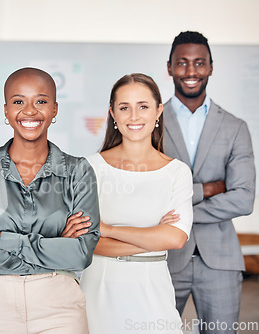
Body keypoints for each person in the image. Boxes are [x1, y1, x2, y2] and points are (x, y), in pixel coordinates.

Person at [0, 67, 100, 334]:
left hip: (59, 306)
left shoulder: (78, 171)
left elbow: (80, 254)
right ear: (6, 110)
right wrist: (56, 246)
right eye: (19, 101)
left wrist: (5, 239)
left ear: (55, 109)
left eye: (41, 101)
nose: (30, 111)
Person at [80, 73, 193, 334]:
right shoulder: (90, 168)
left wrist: (108, 230)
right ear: (113, 114)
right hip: (99, 290)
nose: (133, 116)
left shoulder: (176, 172)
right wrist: (154, 237)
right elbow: (86, 242)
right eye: (124, 107)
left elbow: (175, 239)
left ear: (158, 112)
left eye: (143, 106)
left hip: (152, 293)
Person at [163, 31, 255, 334]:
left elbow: (243, 198)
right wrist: (208, 189)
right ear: (170, 67)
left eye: (199, 63)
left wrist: (181, 207)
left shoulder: (235, 127)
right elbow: (150, 192)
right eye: (183, 63)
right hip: (162, 259)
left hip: (221, 262)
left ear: (211, 68)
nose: (191, 72)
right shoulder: (151, 123)